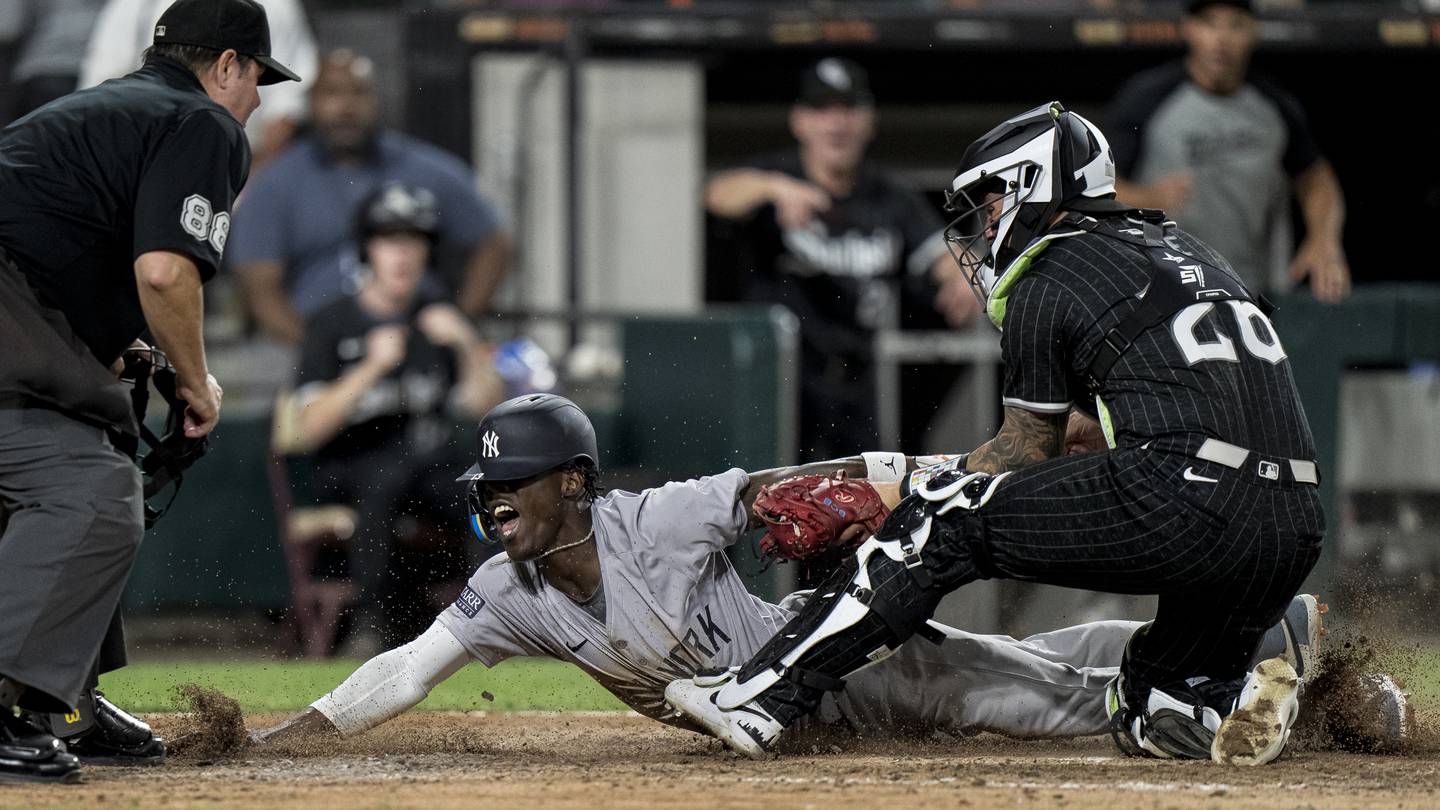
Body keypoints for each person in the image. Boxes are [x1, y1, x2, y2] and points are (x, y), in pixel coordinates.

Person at [665, 101, 1326, 767]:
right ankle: (1264, 667)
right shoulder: (1184, 249)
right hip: (1291, 525)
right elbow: (1088, 439)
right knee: (1157, 710)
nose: (985, 221)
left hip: (1187, 495)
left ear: (1034, 184)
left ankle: (763, 696)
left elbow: (1024, 450)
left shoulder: (1053, 267)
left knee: (941, 520)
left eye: (992, 199)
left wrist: (895, 497)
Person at [251, 394, 1329, 750]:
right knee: (1018, 661)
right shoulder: (507, 593)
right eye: (486, 493)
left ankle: (1237, 669)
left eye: (515, 487)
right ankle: (1252, 643)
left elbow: (804, 485)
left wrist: (963, 468)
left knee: (1033, 701)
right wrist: (288, 741)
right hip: (780, 715)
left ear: (573, 482)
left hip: (826, 659)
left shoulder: (655, 523)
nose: (493, 506)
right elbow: (407, 667)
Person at [0, 0, 298, 782]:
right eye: (258, 77)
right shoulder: (203, 124)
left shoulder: (104, 106)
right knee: (89, 491)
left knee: (76, 461)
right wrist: (196, 382)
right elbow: (164, 271)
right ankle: (14, 703)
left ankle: (65, 696)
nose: (260, 99)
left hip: (22, 313)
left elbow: (49, 239)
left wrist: (121, 345)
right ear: (228, 65)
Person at [706, 57, 978, 463]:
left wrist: (961, 273)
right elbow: (715, 194)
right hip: (778, 382)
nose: (836, 124)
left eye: (848, 109)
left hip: (855, 379)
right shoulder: (775, 173)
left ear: (869, 121)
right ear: (799, 121)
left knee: (864, 499)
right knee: (772, 497)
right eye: (821, 109)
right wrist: (774, 189)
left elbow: (941, 249)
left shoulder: (887, 195)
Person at [288, 183, 507, 654]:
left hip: (426, 465)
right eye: (390, 241)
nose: (403, 255)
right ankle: (372, 625)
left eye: (415, 242)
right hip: (352, 465)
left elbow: (483, 407)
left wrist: (467, 343)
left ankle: (496, 618)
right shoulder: (332, 322)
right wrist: (371, 367)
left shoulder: (436, 320)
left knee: (485, 493)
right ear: (368, 248)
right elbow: (308, 428)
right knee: (384, 477)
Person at [229, 48, 511, 345]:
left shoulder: (424, 168)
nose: (346, 107)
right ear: (311, 103)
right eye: (333, 94)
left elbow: (494, 243)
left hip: (416, 345)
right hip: (311, 341)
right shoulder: (276, 183)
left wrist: (459, 323)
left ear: (376, 99)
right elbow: (259, 287)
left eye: (359, 93)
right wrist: (317, 356)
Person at [1107, 0, 1349, 303]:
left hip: (1253, 292)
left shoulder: (1273, 104)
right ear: (1190, 29)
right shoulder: (1147, 97)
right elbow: (1097, 186)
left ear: (1253, 32)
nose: (1221, 39)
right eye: (1210, 22)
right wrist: (1146, 200)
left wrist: (1324, 239)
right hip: (1164, 289)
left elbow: (1316, 178)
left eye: (1235, 24)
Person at [79, 0, 316, 167]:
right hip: (143, 160)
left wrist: (249, 182)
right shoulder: (138, 5)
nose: (257, 99)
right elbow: (101, 90)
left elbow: (287, 109)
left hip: (245, 164)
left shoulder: (276, 6)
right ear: (226, 67)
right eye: (256, 83)